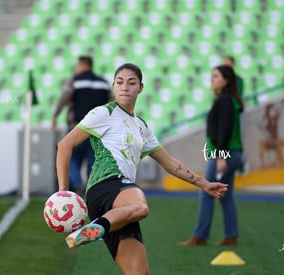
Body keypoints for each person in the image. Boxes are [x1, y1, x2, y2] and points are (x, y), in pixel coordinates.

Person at [56, 63, 228, 274]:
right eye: (119, 82)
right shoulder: (104, 113)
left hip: (120, 208)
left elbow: (171, 163)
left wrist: (204, 184)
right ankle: (97, 228)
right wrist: (64, 192)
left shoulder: (142, 126)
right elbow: (65, 145)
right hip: (106, 187)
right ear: (114, 87)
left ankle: (99, 227)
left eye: (131, 82)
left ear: (141, 88)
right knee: (141, 207)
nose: (125, 87)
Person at [177, 64, 244, 246]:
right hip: (232, 153)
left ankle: (200, 236)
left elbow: (225, 130)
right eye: (212, 75)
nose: (212, 79)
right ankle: (231, 235)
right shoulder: (229, 100)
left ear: (226, 80)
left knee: (207, 191)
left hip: (225, 155)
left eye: (216, 76)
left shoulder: (224, 101)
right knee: (226, 195)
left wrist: (221, 157)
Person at [52, 56, 113, 194]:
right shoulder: (103, 83)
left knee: (70, 157)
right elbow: (112, 103)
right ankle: (91, 188)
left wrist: (55, 115)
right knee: (93, 161)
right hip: (97, 131)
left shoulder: (75, 80)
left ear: (81, 65)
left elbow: (64, 97)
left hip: (77, 128)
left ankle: (77, 183)